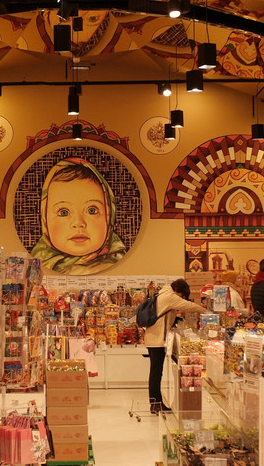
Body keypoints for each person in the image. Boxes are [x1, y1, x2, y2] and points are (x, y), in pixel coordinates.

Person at [29, 158, 127, 275]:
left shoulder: (123, 265)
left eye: (92, 211)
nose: (79, 223)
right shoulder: (35, 266)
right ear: (45, 219)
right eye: (63, 212)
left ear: (109, 215)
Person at [143, 279, 209, 414]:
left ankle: (156, 403)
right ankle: (155, 404)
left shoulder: (163, 294)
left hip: (155, 338)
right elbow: (188, 306)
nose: (181, 298)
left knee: (156, 372)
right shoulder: (170, 296)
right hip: (156, 340)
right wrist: (206, 311)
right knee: (156, 373)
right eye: (182, 296)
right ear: (179, 292)